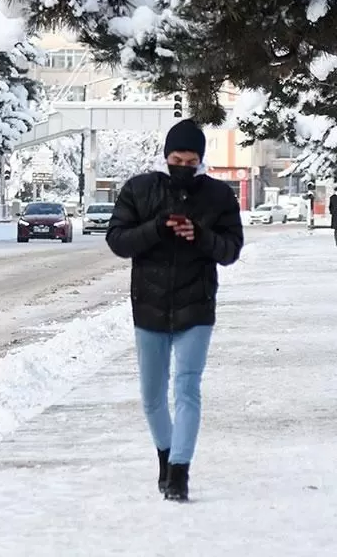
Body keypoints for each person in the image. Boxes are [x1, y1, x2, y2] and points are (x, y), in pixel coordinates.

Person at [105, 119, 245, 502]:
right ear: (166, 157)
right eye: (176, 158)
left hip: (195, 307)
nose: (183, 165)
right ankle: (166, 457)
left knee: (186, 388)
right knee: (152, 396)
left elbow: (231, 250)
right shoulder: (139, 189)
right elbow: (117, 240)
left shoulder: (218, 197)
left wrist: (199, 236)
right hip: (148, 307)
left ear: (201, 160)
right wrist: (157, 229)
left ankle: (180, 471)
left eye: (191, 159)